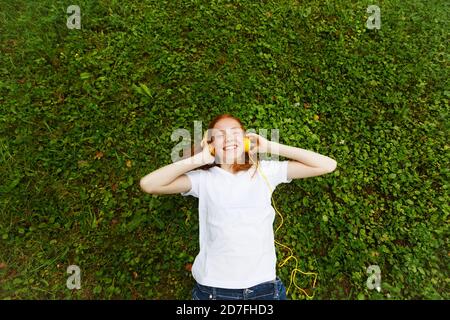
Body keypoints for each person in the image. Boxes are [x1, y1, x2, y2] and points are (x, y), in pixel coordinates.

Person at [140, 114, 337, 300]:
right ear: (211, 145)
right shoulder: (202, 180)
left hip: (264, 288)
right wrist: (199, 159)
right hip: (214, 289)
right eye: (219, 136)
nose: (228, 139)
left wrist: (271, 146)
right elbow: (149, 184)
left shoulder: (266, 171)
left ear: (245, 140)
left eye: (235, 132)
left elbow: (327, 165)